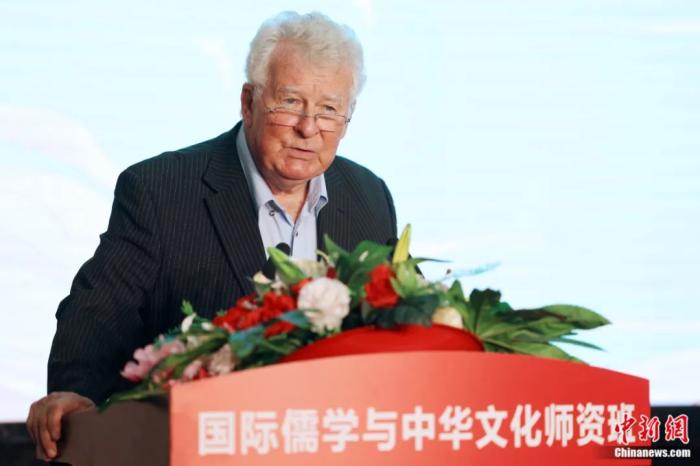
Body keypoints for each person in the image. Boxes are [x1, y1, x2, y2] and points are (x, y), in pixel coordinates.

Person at [26, 11, 397, 460]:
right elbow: (97, 314)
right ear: (248, 102)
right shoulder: (162, 190)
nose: (308, 127)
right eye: (290, 102)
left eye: (329, 110)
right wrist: (77, 402)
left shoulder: (369, 197)